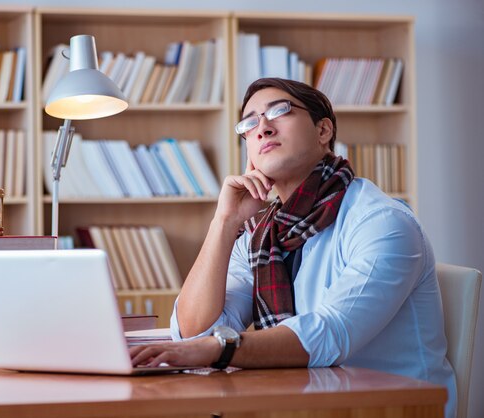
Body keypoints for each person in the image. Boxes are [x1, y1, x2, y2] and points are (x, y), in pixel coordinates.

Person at [129, 78, 456, 418]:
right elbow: (194, 332)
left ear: (323, 130)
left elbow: (330, 334)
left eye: (279, 111)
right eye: (250, 122)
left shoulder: (382, 221)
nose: (263, 128)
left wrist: (217, 349)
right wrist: (224, 223)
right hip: (304, 403)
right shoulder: (262, 234)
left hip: (392, 408)